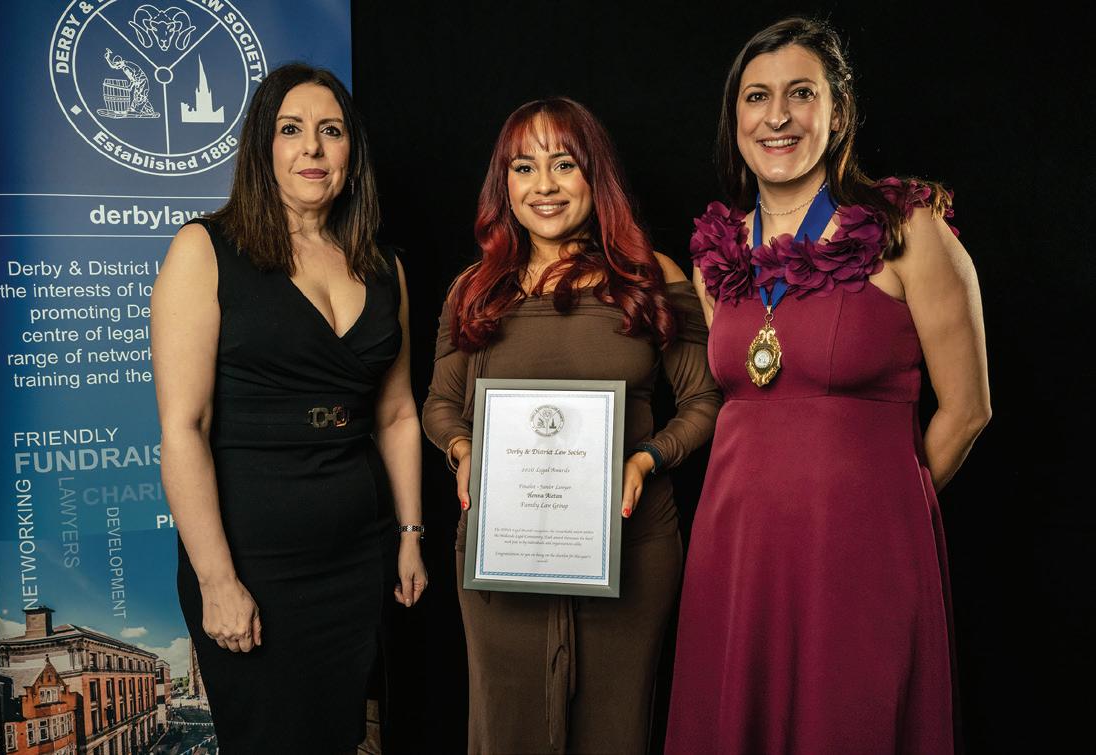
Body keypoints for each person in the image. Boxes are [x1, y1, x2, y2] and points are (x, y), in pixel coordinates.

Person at [666, 17, 991, 754]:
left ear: (838, 113)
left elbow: (969, 409)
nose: (777, 115)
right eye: (756, 96)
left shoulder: (908, 230)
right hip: (737, 549)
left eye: (801, 93)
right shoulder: (716, 255)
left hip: (861, 551)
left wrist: (885, 508)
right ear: (735, 119)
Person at [422, 97, 721, 753]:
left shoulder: (652, 277)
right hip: (500, 551)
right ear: (504, 185)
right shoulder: (474, 289)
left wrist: (646, 457)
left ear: (595, 174)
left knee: (617, 728)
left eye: (564, 164)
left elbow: (704, 400)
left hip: (633, 548)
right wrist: (463, 449)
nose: (545, 186)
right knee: (505, 727)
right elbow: (440, 404)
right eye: (524, 167)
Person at [152, 63, 426, 754]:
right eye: (291, 129)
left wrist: (409, 534)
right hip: (252, 559)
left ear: (351, 151)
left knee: (340, 735)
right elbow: (184, 429)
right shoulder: (204, 250)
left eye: (330, 130)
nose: (312, 147)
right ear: (262, 147)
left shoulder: (384, 267)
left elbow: (397, 414)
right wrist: (217, 579)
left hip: (358, 554)